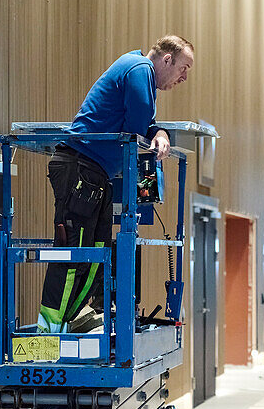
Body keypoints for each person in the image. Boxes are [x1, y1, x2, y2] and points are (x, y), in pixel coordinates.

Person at [37, 35, 194, 333]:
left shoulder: (141, 76)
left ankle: (71, 319)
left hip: (97, 173)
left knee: (96, 251)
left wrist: (159, 132)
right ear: (167, 59)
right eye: (183, 68)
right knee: (75, 253)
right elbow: (137, 128)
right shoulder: (139, 69)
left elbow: (143, 125)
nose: (184, 77)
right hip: (80, 165)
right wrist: (157, 132)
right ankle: (50, 332)